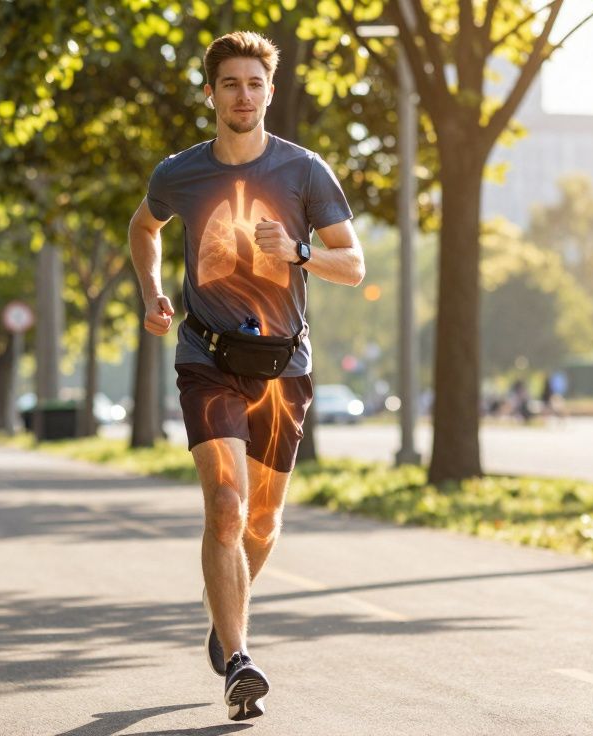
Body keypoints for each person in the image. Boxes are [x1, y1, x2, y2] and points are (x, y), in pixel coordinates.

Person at [129, 31, 364, 722]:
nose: (243, 95)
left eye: (255, 84)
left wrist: (299, 252)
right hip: (207, 356)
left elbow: (352, 263)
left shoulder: (305, 172)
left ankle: (224, 614)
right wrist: (151, 294)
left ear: (268, 91)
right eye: (230, 83)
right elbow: (144, 228)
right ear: (211, 93)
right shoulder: (180, 172)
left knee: (262, 520)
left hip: (283, 365)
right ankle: (238, 660)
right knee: (227, 509)